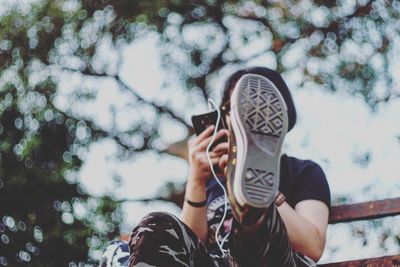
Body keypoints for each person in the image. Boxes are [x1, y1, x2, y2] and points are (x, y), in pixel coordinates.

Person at [99, 67, 331, 267]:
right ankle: (250, 209)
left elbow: (313, 245)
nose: (243, 113)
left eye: (255, 106)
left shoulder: (303, 171)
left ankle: (253, 210)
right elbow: (184, 246)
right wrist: (197, 178)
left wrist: (264, 191)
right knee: (153, 228)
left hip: (274, 260)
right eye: (234, 107)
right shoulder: (211, 178)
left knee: (253, 234)